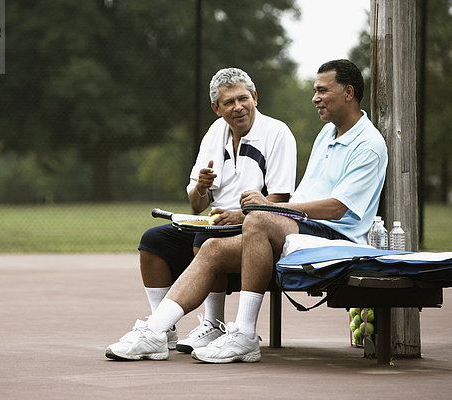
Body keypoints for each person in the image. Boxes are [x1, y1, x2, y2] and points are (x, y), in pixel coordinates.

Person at [106, 59, 388, 363]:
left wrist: (272, 208)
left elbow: (337, 208)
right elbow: (203, 200)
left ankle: (243, 335)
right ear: (217, 108)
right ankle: (155, 332)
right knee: (211, 247)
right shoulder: (327, 134)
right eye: (314, 90)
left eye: (322, 90)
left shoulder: (368, 144)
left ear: (348, 93)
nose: (315, 97)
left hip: (334, 236)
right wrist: (264, 209)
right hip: (300, 227)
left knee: (257, 218)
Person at [137, 67, 297, 353]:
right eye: (229, 102)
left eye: (243, 98)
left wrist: (242, 215)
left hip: (256, 229)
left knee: (206, 239)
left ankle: (214, 324)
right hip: (217, 223)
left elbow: (280, 198)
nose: (238, 107)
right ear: (216, 108)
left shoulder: (277, 133)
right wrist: (200, 186)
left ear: (255, 97)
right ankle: (165, 330)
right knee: (153, 241)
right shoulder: (215, 133)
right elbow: (198, 204)